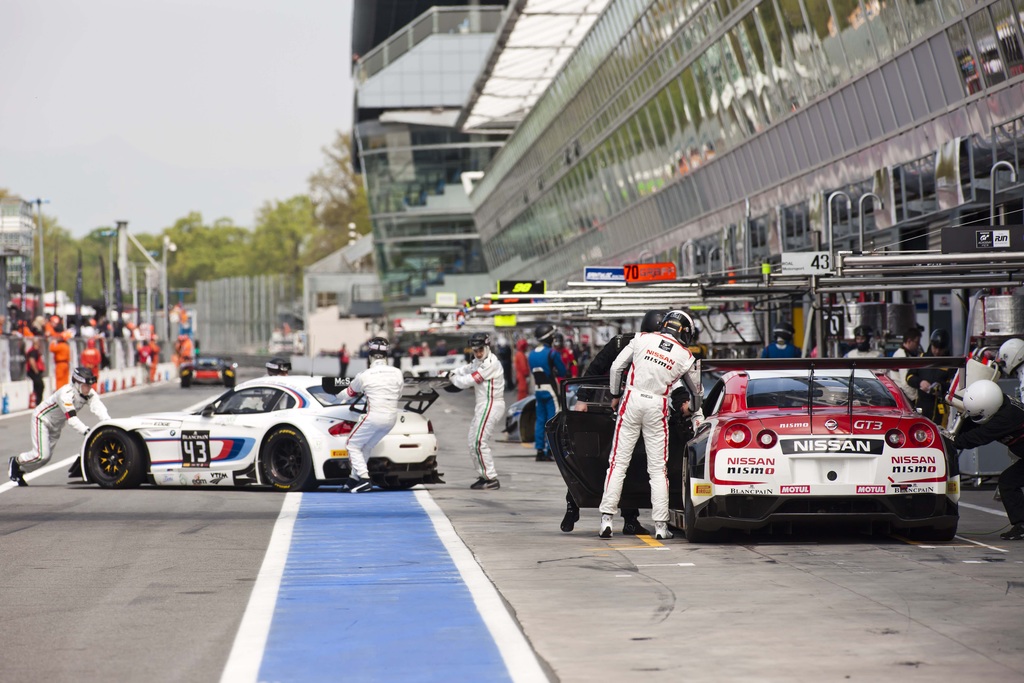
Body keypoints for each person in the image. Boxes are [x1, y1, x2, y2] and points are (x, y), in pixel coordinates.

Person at [599, 310, 703, 540]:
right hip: (658, 405)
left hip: (631, 400)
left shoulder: (641, 338)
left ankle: (606, 521)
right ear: (685, 331)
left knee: (617, 464)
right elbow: (696, 396)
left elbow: (616, 367)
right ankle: (660, 526)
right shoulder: (686, 356)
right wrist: (691, 410)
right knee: (657, 470)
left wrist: (615, 395)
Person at [561, 309, 665, 535]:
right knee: (592, 460)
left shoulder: (664, 349)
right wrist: (583, 400)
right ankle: (573, 505)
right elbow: (595, 369)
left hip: (634, 411)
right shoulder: (622, 342)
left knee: (631, 464)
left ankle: (630, 519)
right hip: (608, 408)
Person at [9, 367, 110, 487]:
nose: (89, 388)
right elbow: (72, 419)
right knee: (41, 455)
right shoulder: (65, 394)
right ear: (77, 384)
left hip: (57, 425)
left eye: (90, 385)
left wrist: (108, 423)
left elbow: (99, 409)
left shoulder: (89, 393)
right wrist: (87, 431)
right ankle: (16, 461)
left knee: (45, 459)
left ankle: (21, 470)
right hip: (42, 420)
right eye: (86, 385)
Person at [952, 380, 1024, 540]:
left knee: (1009, 481)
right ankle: (1021, 524)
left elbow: (978, 437)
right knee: (1008, 481)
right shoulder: (998, 404)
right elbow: (973, 423)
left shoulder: (1006, 418)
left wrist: (951, 441)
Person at [339, 337, 405, 492]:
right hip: (391, 419)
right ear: (386, 355)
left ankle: (364, 478)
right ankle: (353, 479)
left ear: (370, 355)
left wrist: (334, 395)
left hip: (374, 416)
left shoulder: (364, 375)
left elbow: (347, 395)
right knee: (366, 446)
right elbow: (399, 395)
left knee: (352, 444)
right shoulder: (397, 372)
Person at [448, 332, 506, 490]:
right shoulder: (478, 361)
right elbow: (465, 369)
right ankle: (484, 475)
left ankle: (491, 478)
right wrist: (448, 373)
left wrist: (451, 378)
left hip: (491, 403)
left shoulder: (491, 363)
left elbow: (467, 381)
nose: (478, 353)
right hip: (483, 404)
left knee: (479, 442)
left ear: (487, 347)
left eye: (481, 349)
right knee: (472, 442)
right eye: (475, 350)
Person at [528, 324, 567, 461]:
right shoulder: (552, 353)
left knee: (540, 420)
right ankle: (551, 450)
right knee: (553, 420)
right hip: (550, 390)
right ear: (550, 337)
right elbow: (563, 372)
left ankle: (539, 450)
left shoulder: (531, 354)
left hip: (538, 390)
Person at [906, 328, 957, 426]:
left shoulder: (951, 362)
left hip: (940, 407)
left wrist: (940, 386)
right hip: (921, 405)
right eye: (935, 348)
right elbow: (909, 377)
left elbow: (953, 385)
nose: (937, 352)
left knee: (939, 433)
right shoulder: (922, 358)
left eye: (940, 349)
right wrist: (920, 382)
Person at [888, 327, 923, 402]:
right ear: (909, 341)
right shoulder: (902, 355)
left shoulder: (908, 354)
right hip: (903, 396)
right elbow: (905, 382)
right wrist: (916, 399)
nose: (918, 345)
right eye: (917, 342)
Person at [25, 338, 45, 407]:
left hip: (35, 372)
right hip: (33, 372)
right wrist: (36, 371)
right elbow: (31, 361)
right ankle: (37, 402)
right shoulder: (33, 351)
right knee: (40, 385)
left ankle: (37, 401)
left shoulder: (36, 351)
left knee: (38, 386)